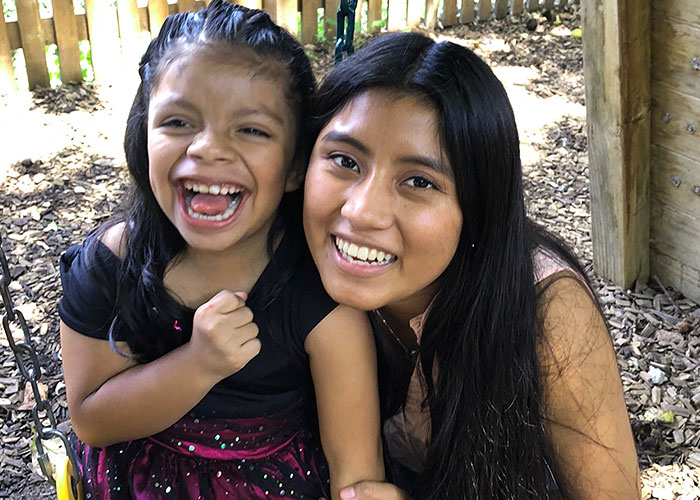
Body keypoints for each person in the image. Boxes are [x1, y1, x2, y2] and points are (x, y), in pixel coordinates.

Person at [58, 2, 384, 498]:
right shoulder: (112, 265)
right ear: (143, 136)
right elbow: (90, 420)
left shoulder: (319, 303)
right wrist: (198, 364)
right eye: (178, 122)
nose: (208, 148)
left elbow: (356, 475)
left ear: (297, 165)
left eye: (251, 129)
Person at [303, 32, 641, 500]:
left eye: (418, 181)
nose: (361, 212)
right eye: (344, 160)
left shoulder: (544, 310)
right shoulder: (284, 267)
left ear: (477, 206)